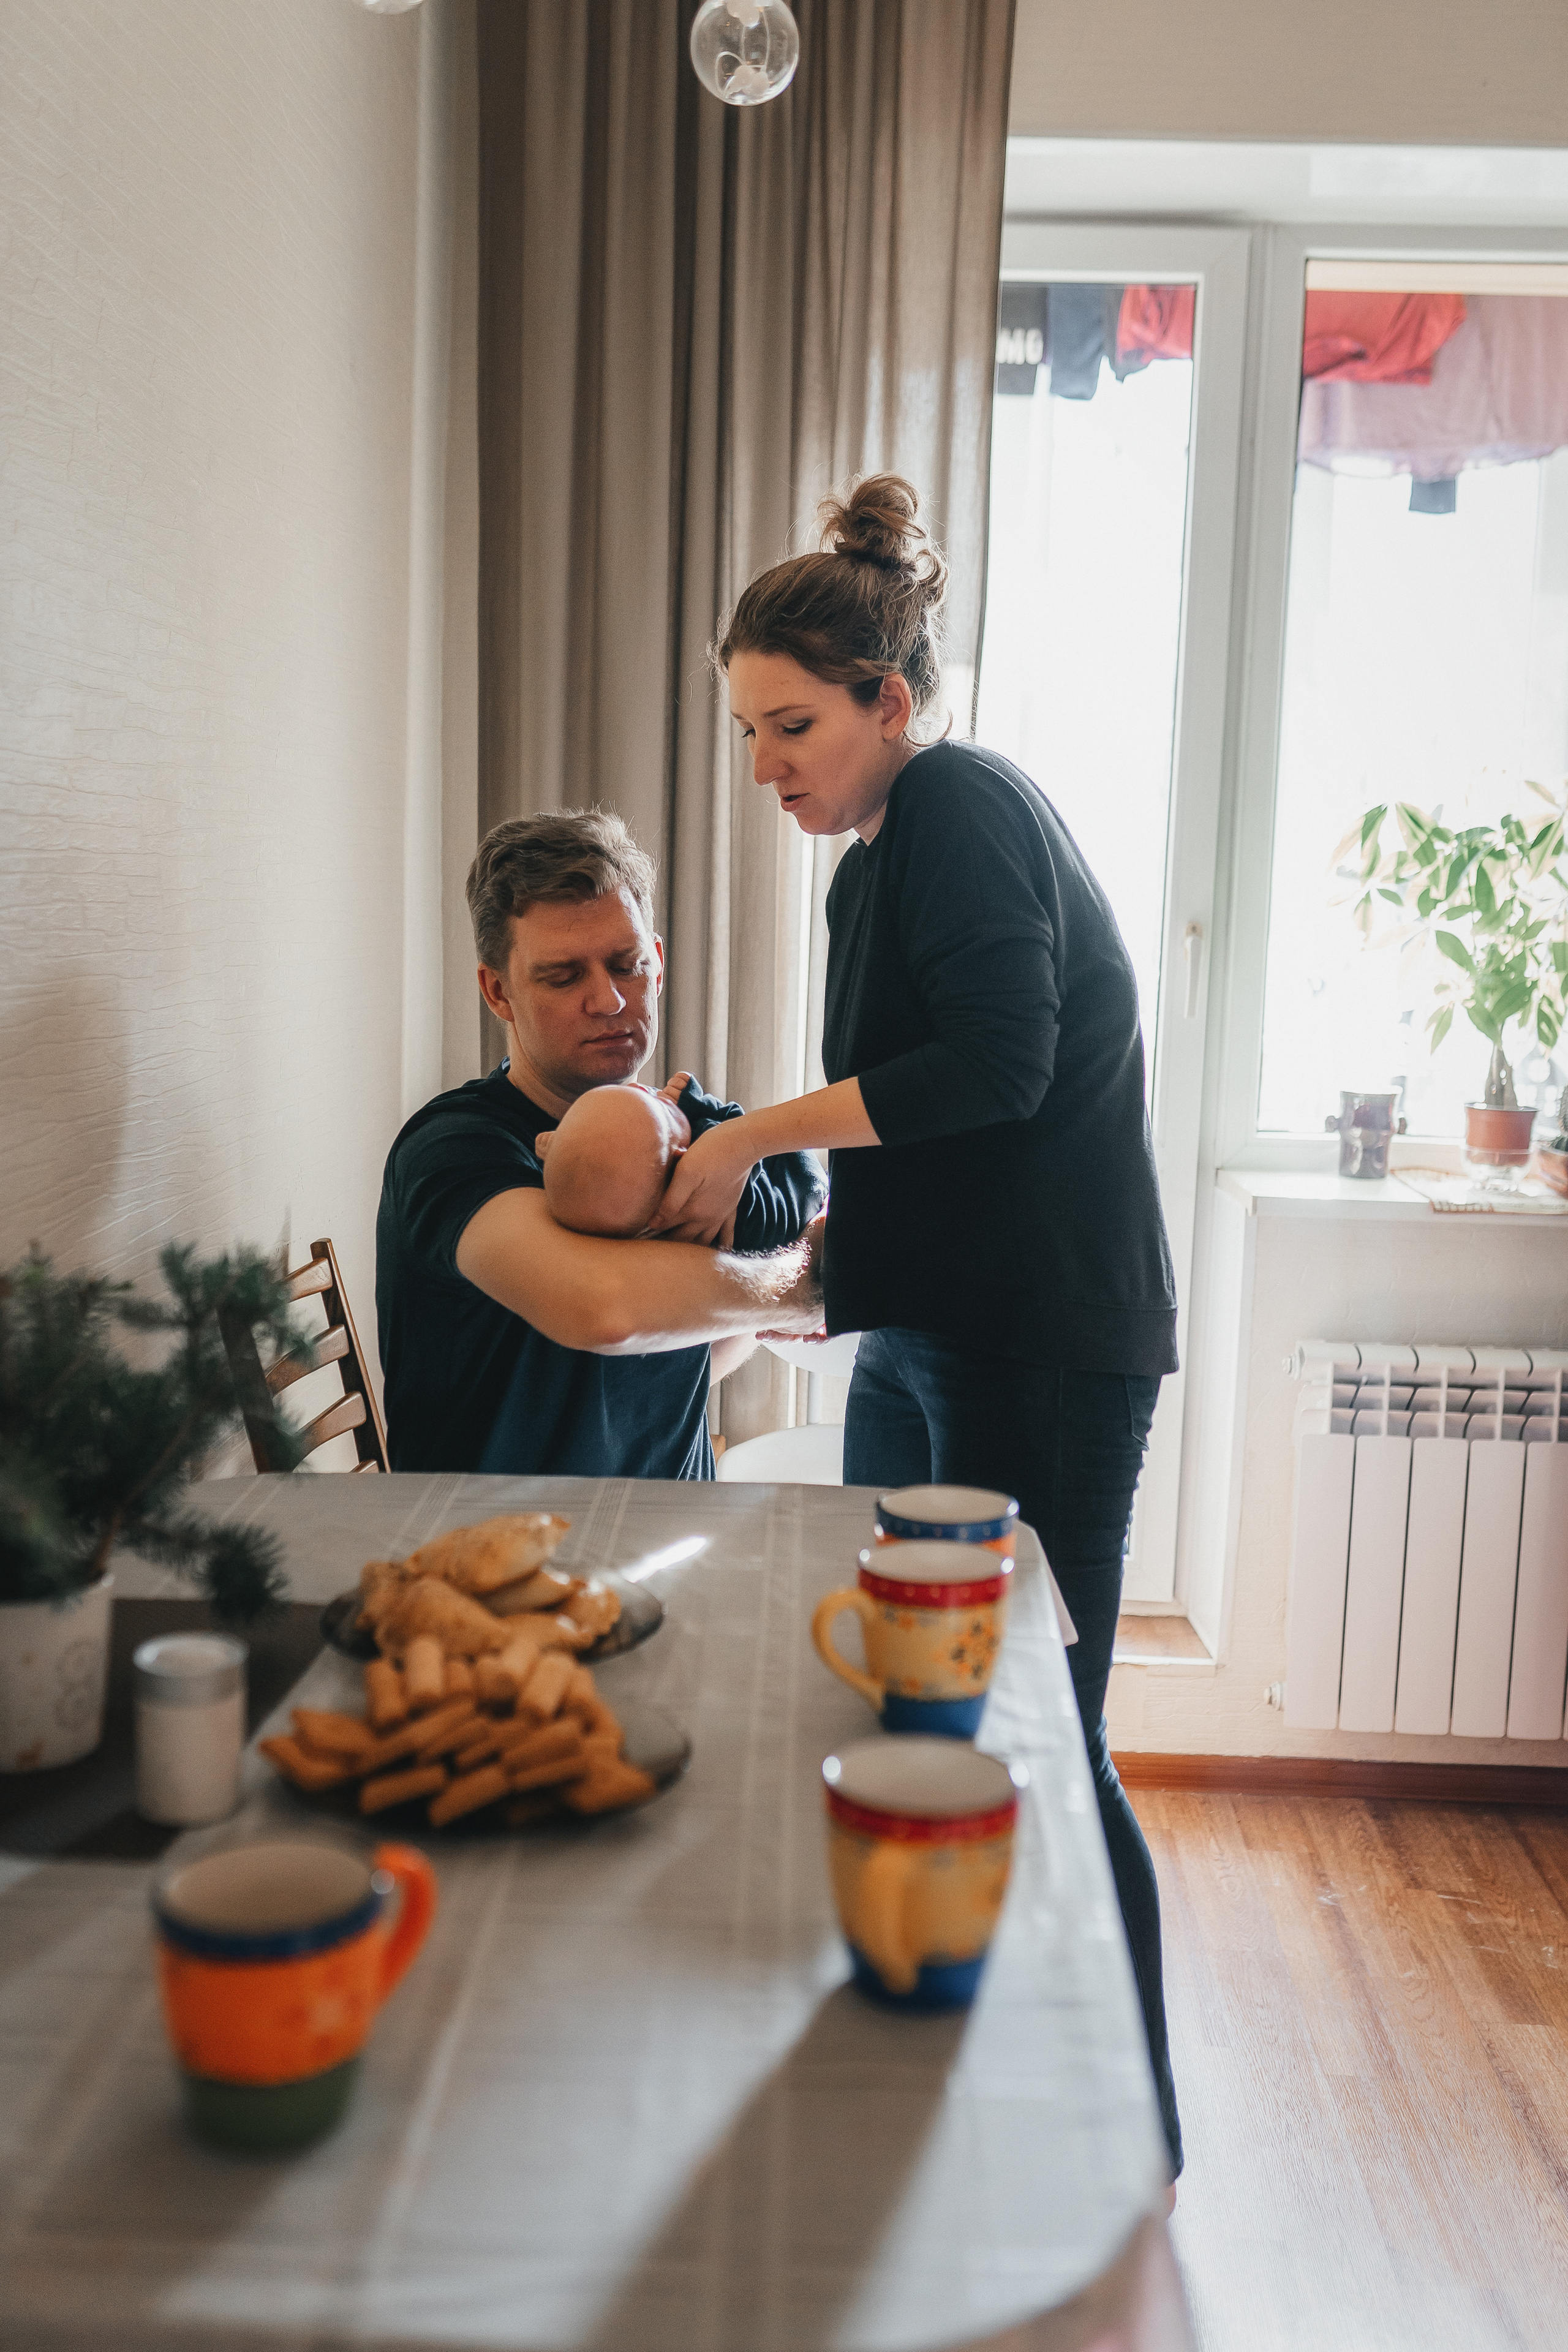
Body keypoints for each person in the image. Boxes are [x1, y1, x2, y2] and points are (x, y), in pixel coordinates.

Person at [649, 475, 1184, 2177]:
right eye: (747, 731)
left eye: (791, 725)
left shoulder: (957, 802)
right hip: (939, 1331)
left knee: (1037, 1730)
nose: (765, 767)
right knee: (905, 1710)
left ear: (891, 702)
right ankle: (938, 2068)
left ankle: (1129, 2134)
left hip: (1044, 1341)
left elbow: (1001, 1068)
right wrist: (829, 1278)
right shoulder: (866, 869)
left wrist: (751, 1137)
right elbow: (923, 1118)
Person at [375, 810, 824, 1479]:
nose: (610, 1000)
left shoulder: (706, 1137)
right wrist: (807, 1287)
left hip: (668, 1537)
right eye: (563, 977)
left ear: (660, 965)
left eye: (627, 965)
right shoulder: (454, 1148)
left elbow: (712, 1343)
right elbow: (608, 1311)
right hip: (495, 1554)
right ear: (498, 991)